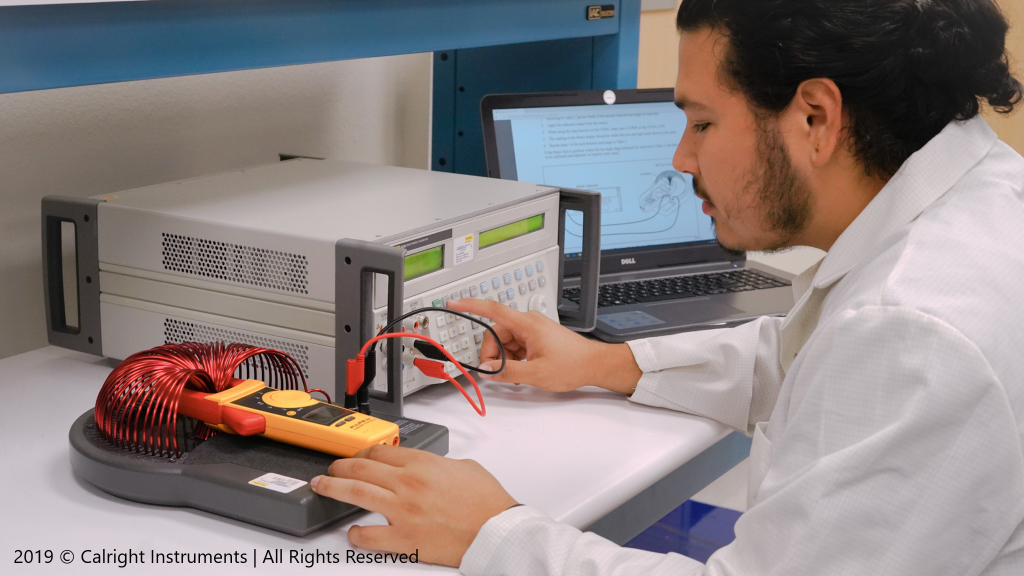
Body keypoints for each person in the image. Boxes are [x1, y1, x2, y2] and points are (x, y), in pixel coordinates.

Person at [311, 0, 1024, 573]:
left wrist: (495, 535)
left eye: (703, 122)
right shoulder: (976, 208)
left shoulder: (916, 326)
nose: (682, 158)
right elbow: (807, 360)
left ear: (817, 118)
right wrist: (606, 363)